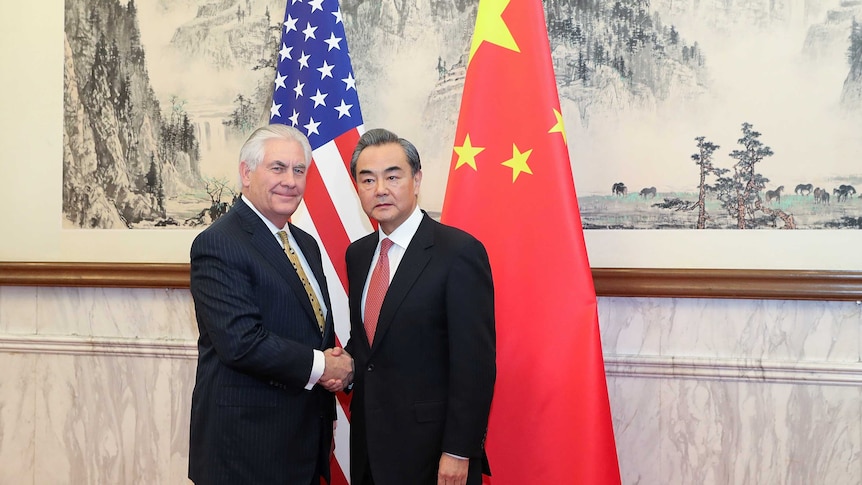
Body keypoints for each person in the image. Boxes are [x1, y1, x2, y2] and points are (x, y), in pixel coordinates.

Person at [188, 124, 354, 485]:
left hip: (303, 442)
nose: (290, 181)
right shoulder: (219, 243)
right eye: (277, 168)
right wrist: (323, 365)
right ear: (246, 173)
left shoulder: (305, 244)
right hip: (246, 450)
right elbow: (241, 343)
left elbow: (311, 328)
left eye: (299, 170)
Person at [343, 128, 496, 485]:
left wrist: (459, 451)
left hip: (433, 455)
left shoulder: (458, 252)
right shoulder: (358, 254)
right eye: (368, 179)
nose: (380, 189)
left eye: (392, 176)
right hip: (369, 449)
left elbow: (474, 364)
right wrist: (335, 366)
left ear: (416, 180)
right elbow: (369, 345)